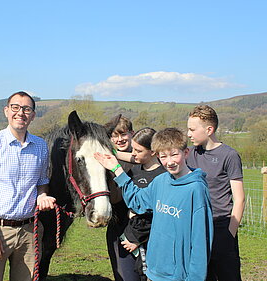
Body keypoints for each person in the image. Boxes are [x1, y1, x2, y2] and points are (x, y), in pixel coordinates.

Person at [94, 127, 213, 281]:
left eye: (174, 155)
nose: (169, 162)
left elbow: (200, 242)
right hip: (155, 271)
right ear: (157, 156)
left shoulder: (196, 190)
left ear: (185, 153)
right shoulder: (160, 182)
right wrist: (117, 169)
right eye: (163, 156)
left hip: (179, 276)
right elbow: (137, 201)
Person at [0, 91, 56, 281]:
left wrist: (42, 196)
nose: (21, 113)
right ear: (6, 111)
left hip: (29, 231)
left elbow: (42, 183)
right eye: (15, 108)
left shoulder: (41, 146)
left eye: (27, 109)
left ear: (33, 115)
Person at [186, 105, 245, 281]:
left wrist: (228, 235)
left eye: (192, 129)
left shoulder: (229, 155)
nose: (188, 134)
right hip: (195, 228)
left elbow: (239, 199)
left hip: (221, 227)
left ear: (209, 129)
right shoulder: (190, 154)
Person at [121, 127, 166, 280]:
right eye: (132, 148)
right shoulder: (134, 171)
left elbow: (159, 215)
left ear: (153, 151)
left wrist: (137, 239)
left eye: (138, 150)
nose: (133, 153)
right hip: (130, 239)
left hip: (151, 243)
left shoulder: (163, 176)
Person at [104, 115, 140, 281]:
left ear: (132, 133)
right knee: (123, 275)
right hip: (118, 226)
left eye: (123, 134)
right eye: (115, 136)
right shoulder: (106, 162)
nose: (119, 139)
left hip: (143, 225)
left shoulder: (142, 158)